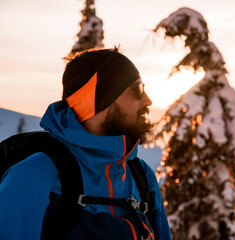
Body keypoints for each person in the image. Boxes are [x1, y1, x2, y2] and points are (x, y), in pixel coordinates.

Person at [0, 48, 171, 240]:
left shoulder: (142, 177)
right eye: (136, 89)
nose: (148, 101)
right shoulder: (33, 176)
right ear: (99, 101)